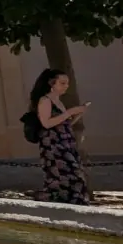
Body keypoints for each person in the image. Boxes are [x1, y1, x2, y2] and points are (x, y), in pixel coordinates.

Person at [31, 68, 90, 205]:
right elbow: (46, 123)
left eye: (67, 83)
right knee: (65, 176)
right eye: (62, 83)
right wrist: (70, 112)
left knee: (75, 174)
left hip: (66, 142)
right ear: (52, 84)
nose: (66, 86)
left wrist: (78, 114)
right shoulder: (45, 100)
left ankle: (74, 204)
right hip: (53, 145)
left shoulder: (58, 101)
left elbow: (64, 123)